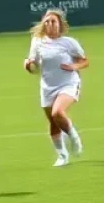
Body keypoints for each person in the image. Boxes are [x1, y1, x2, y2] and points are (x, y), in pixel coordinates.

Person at [24, 9, 88, 167]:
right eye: (46, 21)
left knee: (57, 112)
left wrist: (74, 66)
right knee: (53, 122)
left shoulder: (69, 43)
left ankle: (74, 137)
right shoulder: (37, 41)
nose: (49, 24)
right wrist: (28, 66)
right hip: (47, 86)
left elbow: (84, 61)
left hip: (68, 83)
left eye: (53, 21)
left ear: (59, 24)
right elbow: (34, 65)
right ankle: (62, 155)